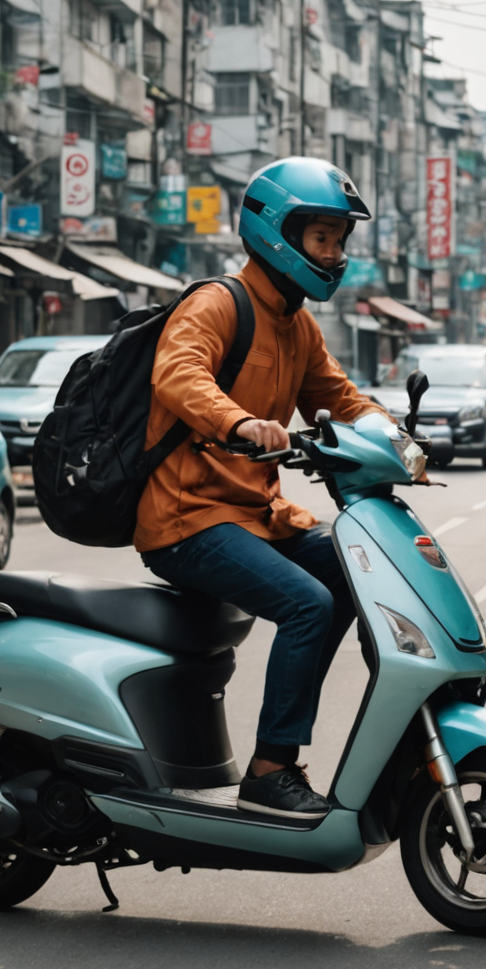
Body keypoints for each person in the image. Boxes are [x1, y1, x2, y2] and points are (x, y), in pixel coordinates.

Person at [135, 157, 384, 820]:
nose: (333, 254)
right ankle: (273, 768)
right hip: (189, 520)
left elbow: (340, 398)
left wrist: (399, 442)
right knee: (308, 604)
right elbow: (179, 374)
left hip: (254, 515)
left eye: (338, 240)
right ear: (278, 233)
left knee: (356, 570)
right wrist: (237, 420)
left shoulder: (297, 326)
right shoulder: (216, 304)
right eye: (320, 238)